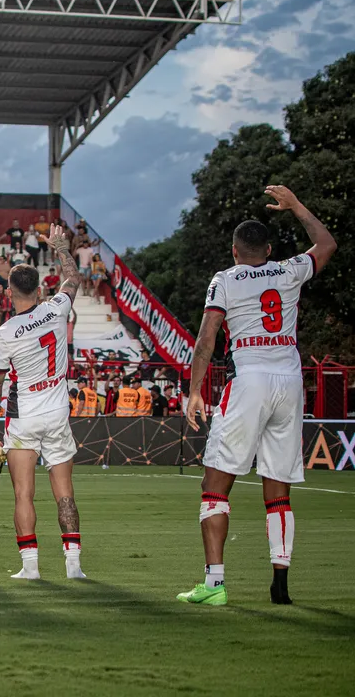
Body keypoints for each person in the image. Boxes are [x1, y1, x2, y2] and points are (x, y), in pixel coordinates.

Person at [179, 185, 335, 607]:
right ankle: (280, 584)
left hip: (248, 378)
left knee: (215, 486)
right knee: (278, 491)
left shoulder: (225, 280)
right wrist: (298, 205)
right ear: (267, 248)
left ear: (234, 251)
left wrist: (194, 390)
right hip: (289, 378)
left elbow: (207, 336)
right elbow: (327, 243)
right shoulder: (288, 270)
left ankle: (214, 584)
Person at [0, 224, 85, 581]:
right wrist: (59, 247)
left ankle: (31, 567)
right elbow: (72, 278)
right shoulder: (56, 307)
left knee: (23, 494)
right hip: (57, 411)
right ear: (39, 289)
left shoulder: (5, 332)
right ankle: (73, 566)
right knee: (65, 493)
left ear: (10, 293)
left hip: (23, 415)